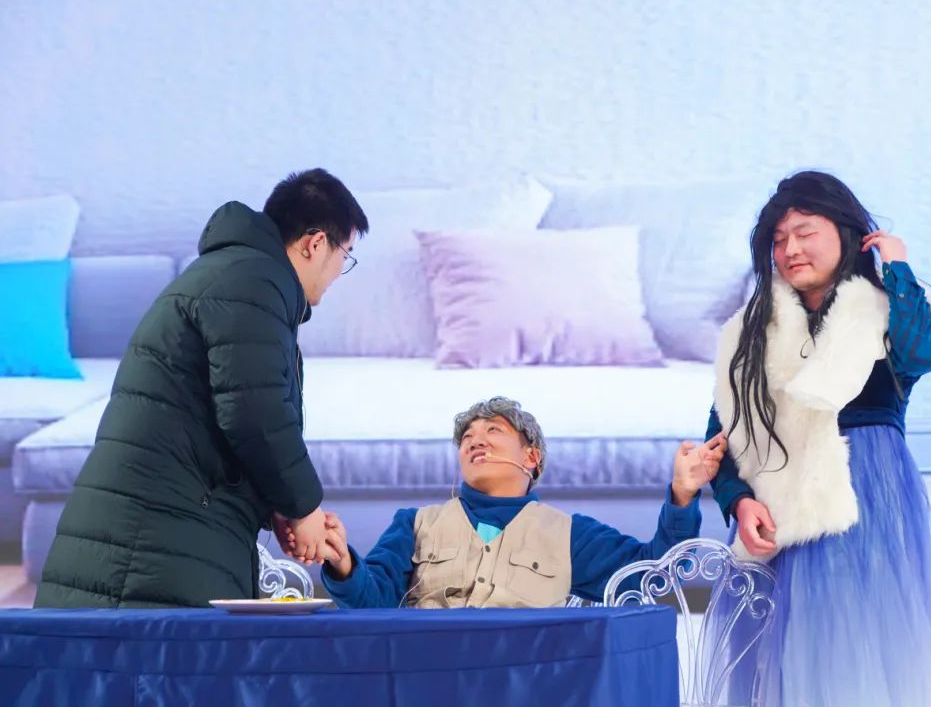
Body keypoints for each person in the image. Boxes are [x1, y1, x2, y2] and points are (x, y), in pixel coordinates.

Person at [35, 168, 367, 608]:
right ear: (315, 243)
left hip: (159, 525)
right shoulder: (255, 283)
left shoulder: (235, 275)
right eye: (346, 254)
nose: (341, 271)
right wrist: (304, 508)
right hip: (157, 536)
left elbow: (221, 411)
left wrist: (278, 504)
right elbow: (256, 414)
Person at [703, 171, 931, 706]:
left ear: (845, 232)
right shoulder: (751, 333)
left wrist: (897, 267)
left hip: (867, 498)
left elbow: (921, 353)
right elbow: (722, 434)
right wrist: (739, 501)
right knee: (787, 657)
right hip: (781, 508)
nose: (791, 250)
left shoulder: (887, 308)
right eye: (778, 240)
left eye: (804, 233)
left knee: (861, 651)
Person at [304, 397, 724, 608]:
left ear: (531, 457)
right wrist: (342, 562)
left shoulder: (570, 534)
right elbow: (372, 601)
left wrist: (683, 494)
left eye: (493, 431)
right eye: (467, 438)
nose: (476, 441)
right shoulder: (414, 523)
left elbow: (654, 575)